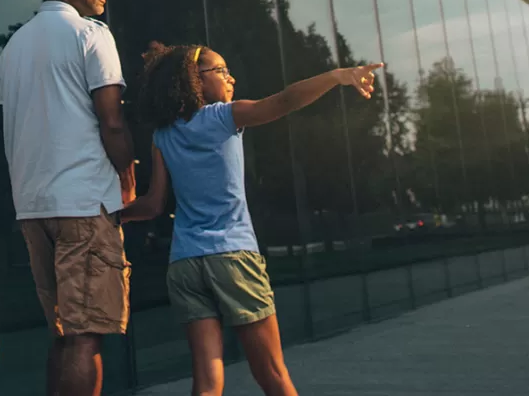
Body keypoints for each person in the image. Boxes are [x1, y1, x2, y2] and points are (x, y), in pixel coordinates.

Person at [131, 43, 381, 396]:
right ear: (195, 80)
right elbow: (284, 101)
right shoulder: (224, 116)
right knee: (273, 375)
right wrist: (337, 76)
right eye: (221, 71)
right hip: (233, 258)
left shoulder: (163, 135)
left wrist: (111, 215)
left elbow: (152, 205)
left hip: (185, 264)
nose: (230, 78)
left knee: (207, 382)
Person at [0, 0, 135, 396]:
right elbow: (111, 119)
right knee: (85, 335)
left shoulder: (13, 46)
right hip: (83, 202)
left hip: (33, 207)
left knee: (62, 333)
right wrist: (127, 176)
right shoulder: (91, 34)